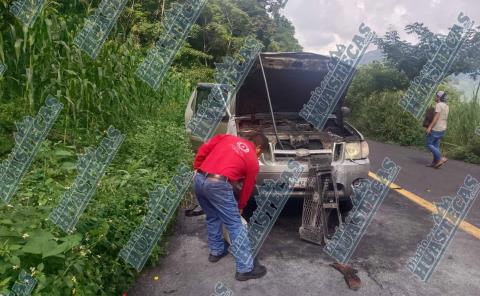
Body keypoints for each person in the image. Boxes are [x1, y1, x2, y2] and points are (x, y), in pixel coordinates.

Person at [193, 132, 269, 281]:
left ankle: (216, 251)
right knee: (235, 225)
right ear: (259, 148)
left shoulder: (226, 137)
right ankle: (245, 269)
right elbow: (248, 187)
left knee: (212, 216)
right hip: (218, 184)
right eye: (261, 153)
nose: (259, 156)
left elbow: (204, 149)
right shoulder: (253, 159)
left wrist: (197, 167)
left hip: (199, 179)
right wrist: (241, 206)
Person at [425, 91, 449, 168]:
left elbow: (436, 118)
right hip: (443, 128)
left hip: (436, 128)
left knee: (429, 144)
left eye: (436, 96)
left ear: (439, 97)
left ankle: (440, 158)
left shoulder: (438, 105)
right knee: (436, 146)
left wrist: (429, 127)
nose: (435, 97)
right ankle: (435, 163)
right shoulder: (446, 106)